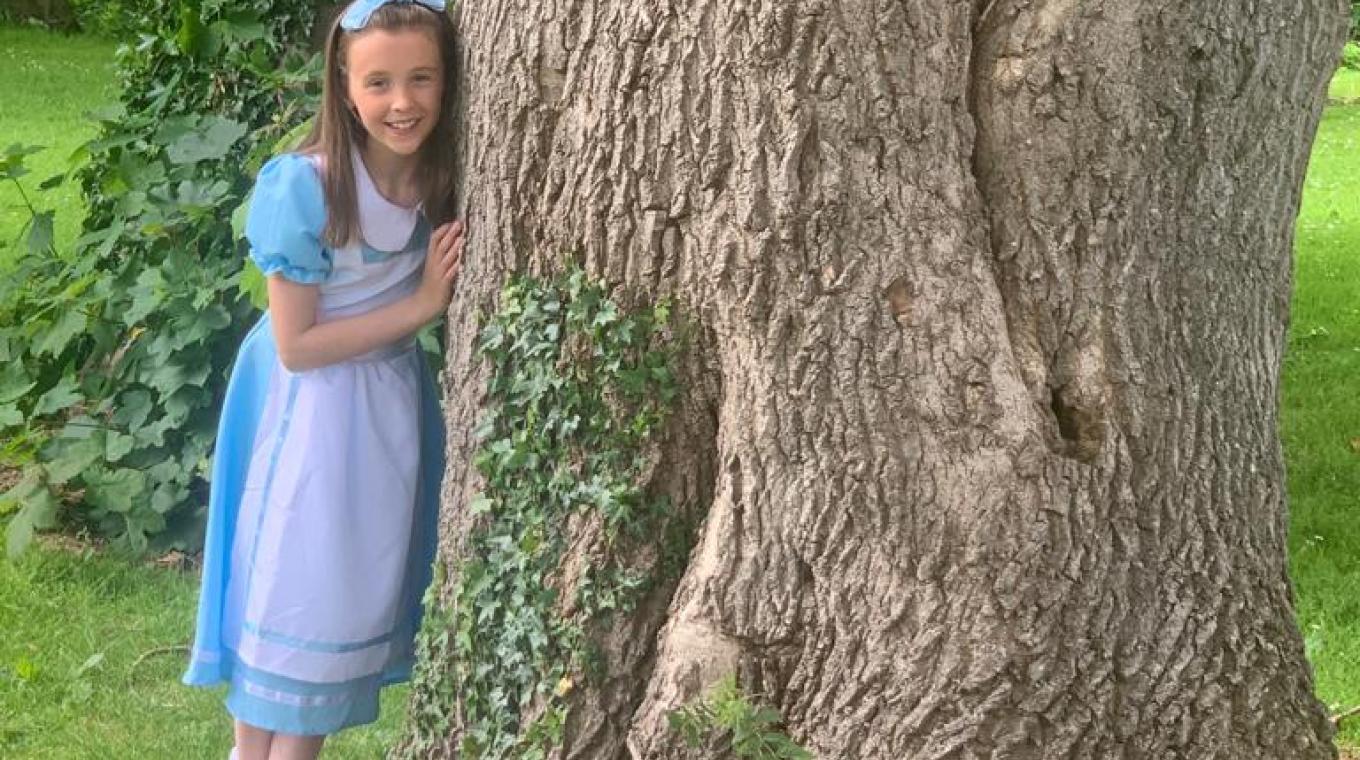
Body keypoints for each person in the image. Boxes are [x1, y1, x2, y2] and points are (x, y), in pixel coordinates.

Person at [182, 1, 463, 758]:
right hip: (305, 410)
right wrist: (422, 305)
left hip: (380, 417)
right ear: (343, 87)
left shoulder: (443, 176)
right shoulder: (307, 186)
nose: (402, 102)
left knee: (338, 599)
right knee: (293, 591)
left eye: (421, 78)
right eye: (378, 83)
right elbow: (298, 345)